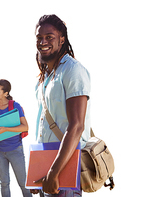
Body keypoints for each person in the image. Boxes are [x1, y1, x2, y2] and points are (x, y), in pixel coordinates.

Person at [32, 14, 91, 197]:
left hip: (64, 169)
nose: (43, 42)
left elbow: (77, 126)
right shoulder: (46, 76)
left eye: (49, 37)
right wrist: (35, 171)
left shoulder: (73, 70)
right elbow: (42, 128)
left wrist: (54, 172)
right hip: (46, 167)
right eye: (39, 38)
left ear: (62, 39)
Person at [0, 79, 32, 197]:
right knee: (4, 184)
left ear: (6, 93)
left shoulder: (15, 106)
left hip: (15, 150)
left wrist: (6, 129)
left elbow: (25, 127)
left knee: (23, 184)